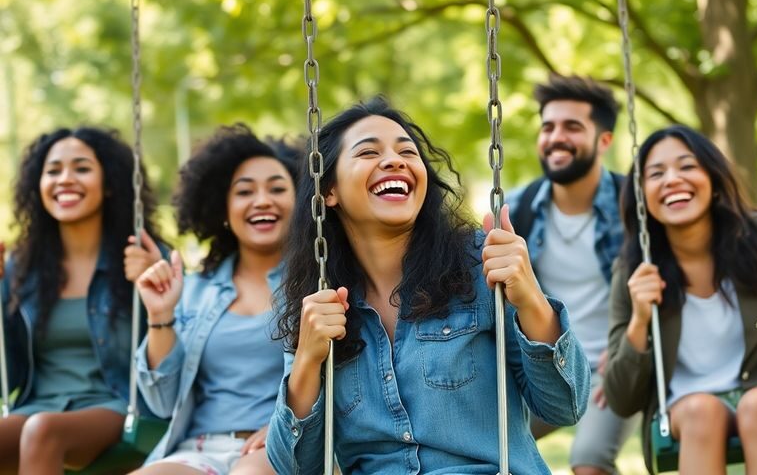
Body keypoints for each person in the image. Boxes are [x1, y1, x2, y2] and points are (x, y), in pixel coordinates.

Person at [266, 96, 591, 474]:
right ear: (329, 192)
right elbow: (294, 467)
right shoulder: (318, 300)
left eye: (407, 151)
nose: (394, 160)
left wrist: (531, 299)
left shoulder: (477, 264)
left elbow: (566, 405)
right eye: (368, 152)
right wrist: (307, 360)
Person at [603, 125, 757, 474]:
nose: (672, 179)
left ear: (713, 178)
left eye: (687, 166)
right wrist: (639, 321)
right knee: (701, 411)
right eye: (656, 173)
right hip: (686, 408)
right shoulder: (633, 268)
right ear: (641, 193)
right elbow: (621, 398)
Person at [130, 125, 301, 475]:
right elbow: (162, 403)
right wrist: (160, 315)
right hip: (199, 448)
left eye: (277, 188)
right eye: (244, 191)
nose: (262, 200)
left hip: (280, 446)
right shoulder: (193, 291)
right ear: (223, 209)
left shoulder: (317, 285)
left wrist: (288, 427)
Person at [0, 127, 164, 474]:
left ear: (108, 184)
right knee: (36, 425)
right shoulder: (20, 268)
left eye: (82, 168)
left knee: (41, 431)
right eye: (54, 170)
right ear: (38, 187)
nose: (65, 179)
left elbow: (172, 360)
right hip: (36, 404)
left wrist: (156, 286)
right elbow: (9, 373)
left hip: (113, 405)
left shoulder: (142, 257)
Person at [506, 74, 637, 475]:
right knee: (486, 444)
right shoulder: (519, 209)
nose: (556, 137)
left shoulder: (634, 208)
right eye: (548, 127)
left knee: (589, 462)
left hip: (614, 368)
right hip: (550, 365)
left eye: (572, 127)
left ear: (604, 141)